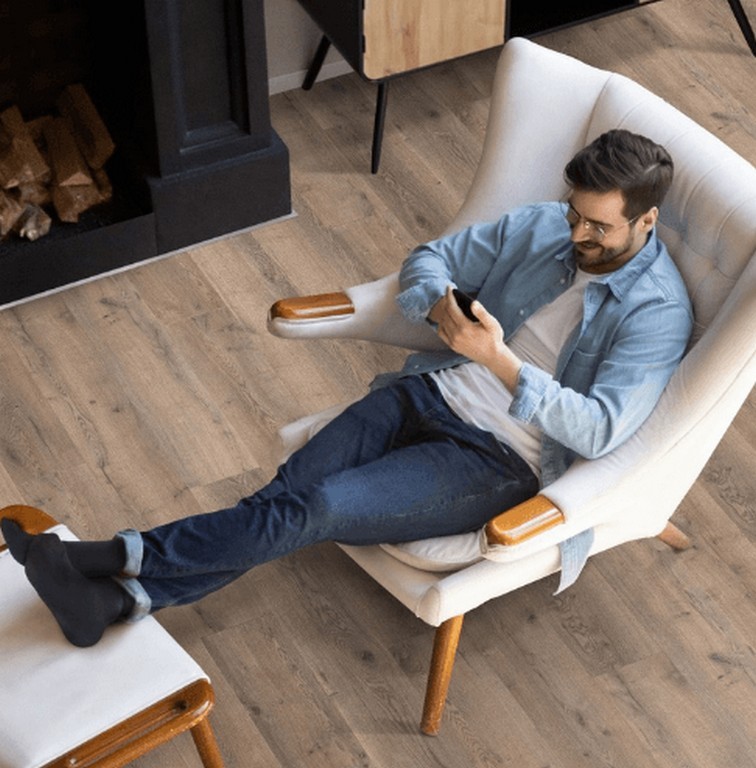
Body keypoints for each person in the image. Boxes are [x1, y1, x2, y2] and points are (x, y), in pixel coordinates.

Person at [1, 129, 693, 648]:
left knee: (316, 506)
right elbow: (432, 257)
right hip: (428, 391)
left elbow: (601, 430)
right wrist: (438, 306)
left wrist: (501, 361)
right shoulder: (548, 226)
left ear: (646, 220)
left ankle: (105, 558)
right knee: (279, 500)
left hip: (499, 461)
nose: (576, 234)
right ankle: (120, 602)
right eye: (574, 214)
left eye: (597, 227)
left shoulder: (657, 313)